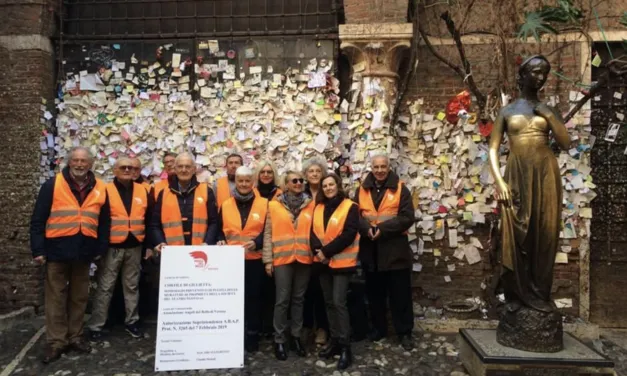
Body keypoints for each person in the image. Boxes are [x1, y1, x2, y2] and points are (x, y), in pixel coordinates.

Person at [488, 56, 570, 350]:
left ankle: (540, 294)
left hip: (545, 174)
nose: (540, 77)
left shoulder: (546, 109)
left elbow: (565, 142)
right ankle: (516, 297)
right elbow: (493, 149)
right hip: (516, 176)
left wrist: (548, 114)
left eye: (544, 73)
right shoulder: (508, 111)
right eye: (535, 71)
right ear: (522, 75)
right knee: (515, 236)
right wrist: (499, 182)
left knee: (545, 235)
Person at [30, 146, 111, 364]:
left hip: (84, 251)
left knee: (79, 296)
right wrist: (38, 250)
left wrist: (100, 249)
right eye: (75, 160)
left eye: (84, 161)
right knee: (56, 297)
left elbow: (104, 223)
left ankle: (75, 336)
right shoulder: (52, 185)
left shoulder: (100, 188)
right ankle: (56, 341)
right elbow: (38, 220)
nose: (79, 164)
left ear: (91, 164)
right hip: (56, 250)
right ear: (69, 162)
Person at [354, 152, 415, 351]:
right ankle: (379, 329)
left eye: (383, 167)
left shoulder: (400, 189)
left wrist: (382, 230)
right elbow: (355, 216)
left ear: (388, 167)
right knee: (375, 295)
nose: (379, 170)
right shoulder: (361, 190)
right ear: (371, 168)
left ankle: (404, 332)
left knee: (400, 296)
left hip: (395, 251)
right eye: (376, 167)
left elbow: (407, 217)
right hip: (371, 251)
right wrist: (367, 229)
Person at [88, 156, 153, 340]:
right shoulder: (105, 190)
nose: (127, 170)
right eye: (123, 167)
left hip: (135, 246)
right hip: (112, 247)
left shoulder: (144, 190)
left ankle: (132, 321)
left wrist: (148, 246)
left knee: (131, 286)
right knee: (105, 286)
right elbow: (99, 220)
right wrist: (99, 249)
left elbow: (148, 220)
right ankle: (96, 325)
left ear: (136, 171)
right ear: (115, 170)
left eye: (131, 168)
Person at [262, 171, 314, 361]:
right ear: (285, 184)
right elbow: (268, 234)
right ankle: (279, 339)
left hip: (303, 258)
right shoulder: (274, 206)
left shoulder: (310, 204)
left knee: (299, 299)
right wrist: (268, 260)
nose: (299, 183)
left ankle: (296, 336)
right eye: (295, 180)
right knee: (282, 300)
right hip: (282, 258)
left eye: (301, 180)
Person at [216, 166, 268, 352]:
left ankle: (253, 334)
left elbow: (268, 230)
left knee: (254, 298)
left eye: (247, 180)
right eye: (240, 181)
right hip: (231, 261)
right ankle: (234, 333)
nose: (244, 184)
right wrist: (220, 239)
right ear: (235, 182)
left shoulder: (264, 204)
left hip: (255, 259)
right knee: (233, 299)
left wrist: (257, 242)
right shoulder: (226, 204)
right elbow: (219, 229)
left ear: (253, 182)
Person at [311, 173, 360, 370]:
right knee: (329, 303)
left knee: (339, 303)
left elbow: (349, 234)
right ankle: (335, 341)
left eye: (331, 184)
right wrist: (319, 251)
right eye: (325, 186)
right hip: (322, 263)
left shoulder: (350, 207)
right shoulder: (319, 207)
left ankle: (346, 347)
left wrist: (325, 252)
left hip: (342, 263)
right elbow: (312, 233)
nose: (328, 188)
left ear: (338, 186)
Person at [150, 152, 218, 249]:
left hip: (200, 250)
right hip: (172, 252)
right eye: (180, 166)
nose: (184, 170)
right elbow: (155, 225)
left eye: (187, 167)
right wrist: (160, 242)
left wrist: (207, 243)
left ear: (194, 169)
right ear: (175, 169)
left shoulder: (206, 191)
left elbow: (214, 222)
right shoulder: (164, 193)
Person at [302, 157, 330, 346]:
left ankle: (322, 328)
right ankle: (306, 326)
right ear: (305, 175)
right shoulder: (299, 191)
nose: (314, 174)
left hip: (323, 250)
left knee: (321, 291)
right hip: (302, 248)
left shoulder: (327, 192)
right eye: (310, 171)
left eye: (317, 171)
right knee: (305, 290)